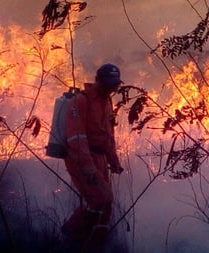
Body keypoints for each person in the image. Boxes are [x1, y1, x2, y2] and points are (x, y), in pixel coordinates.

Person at [61, 63, 124, 251]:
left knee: (107, 207)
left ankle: (95, 246)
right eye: (109, 83)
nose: (113, 88)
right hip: (80, 158)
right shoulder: (80, 101)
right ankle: (69, 236)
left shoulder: (106, 102)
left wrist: (114, 161)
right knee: (100, 198)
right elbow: (76, 138)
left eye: (115, 84)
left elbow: (107, 135)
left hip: (100, 158)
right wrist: (88, 167)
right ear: (98, 81)